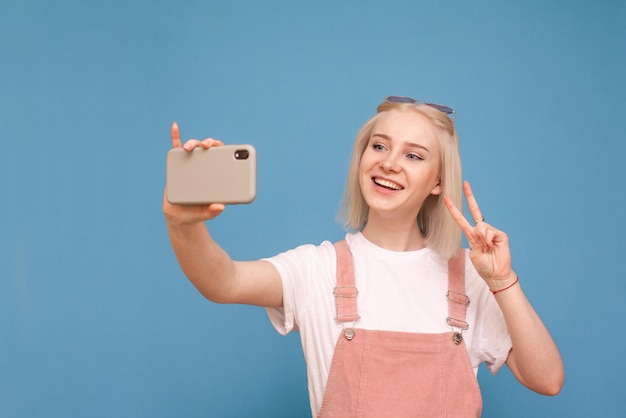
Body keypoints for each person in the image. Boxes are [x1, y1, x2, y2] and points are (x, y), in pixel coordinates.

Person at [163, 96, 565, 417]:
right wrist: (184, 224)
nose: (389, 162)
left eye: (414, 155)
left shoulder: (469, 279)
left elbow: (547, 380)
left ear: (438, 181)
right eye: (379, 145)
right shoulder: (318, 269)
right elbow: (223, 281)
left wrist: (501, 282)